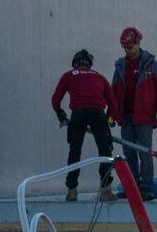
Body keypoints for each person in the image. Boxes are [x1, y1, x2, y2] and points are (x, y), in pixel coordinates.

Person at [110, 25, 157, 201]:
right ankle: (132, 186)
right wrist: (111, 113)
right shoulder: (121, 66)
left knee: (145, 152)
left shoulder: (151, 64)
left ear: (138, 43)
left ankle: (146, 187)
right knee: (129, 152)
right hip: (126, 115)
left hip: (144, 116)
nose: (127, 50)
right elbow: (113, 91)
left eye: (129, 47)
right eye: (124, 48)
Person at [49, 48, 115, 201]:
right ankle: (105, 190)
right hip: (98, 113)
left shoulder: (68, 76)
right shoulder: (99, 77)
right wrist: (108, 118)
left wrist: (60, 114)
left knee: (74, 151)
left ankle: (72, 190)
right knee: (105, 151)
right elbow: (113, 102)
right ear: (89, 64)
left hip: (78, 115)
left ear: (75, 64)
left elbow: (55, 99)